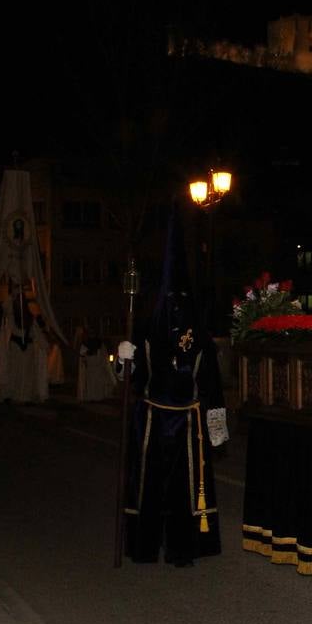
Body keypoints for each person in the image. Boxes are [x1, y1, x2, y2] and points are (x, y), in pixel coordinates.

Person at [120, 214, 226, 565]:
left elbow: (212, 386)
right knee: (149, 485)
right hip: (151, 418)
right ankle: (145, 546)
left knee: (185, 488)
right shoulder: (147, 332)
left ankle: (184, 548)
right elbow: (129, 379)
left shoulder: (202, 340)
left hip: (189, 425)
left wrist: (217, 432)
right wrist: (123, 359)